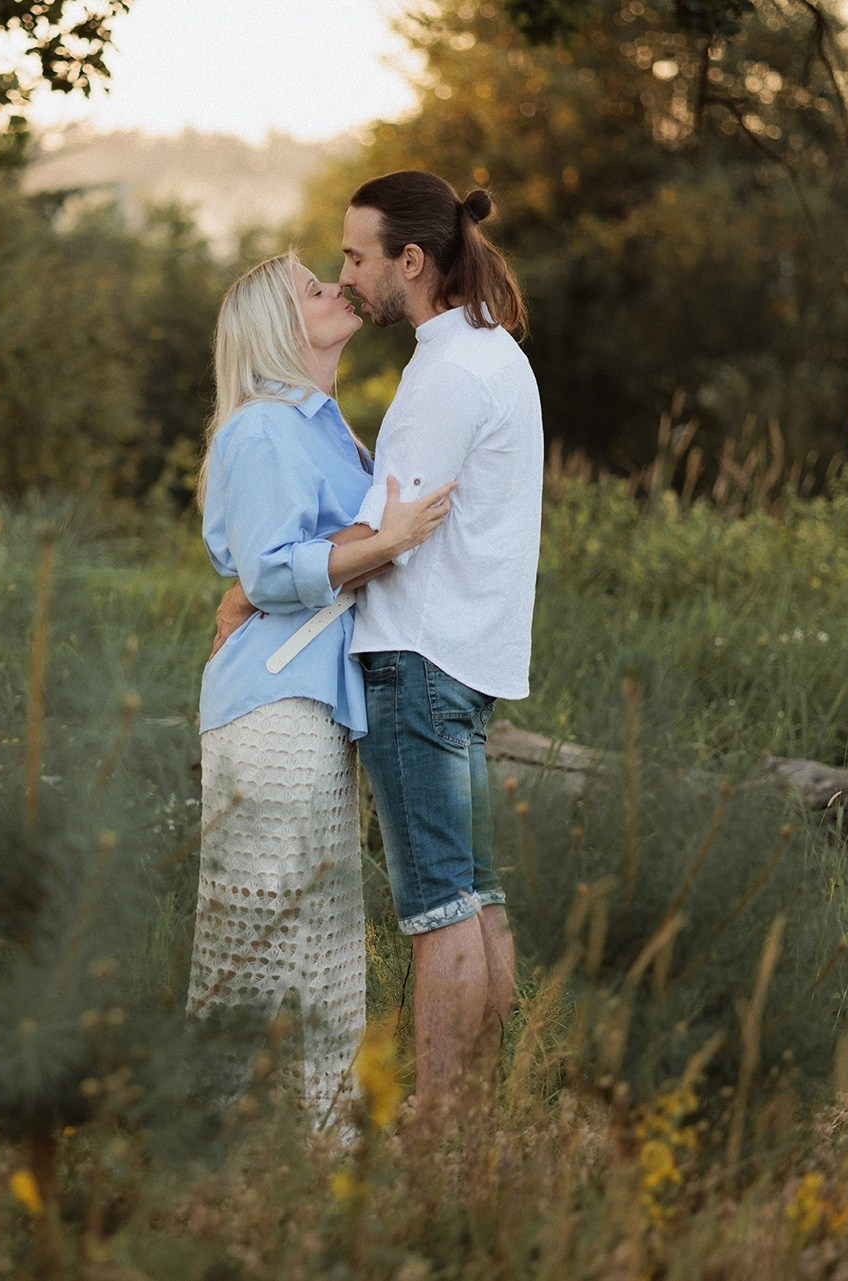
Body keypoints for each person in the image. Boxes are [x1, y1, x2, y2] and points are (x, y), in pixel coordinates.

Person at [214, 173, 541, 1125]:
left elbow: (375, 531)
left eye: (356, 257)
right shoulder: (492, 354)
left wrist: (246, 584)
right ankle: (475, 1124)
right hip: (465, 660)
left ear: (411, 261)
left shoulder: (442, 377)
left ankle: (440, 1134)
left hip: (415, 661)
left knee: (439, 913)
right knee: (477, 900)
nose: (347, 275)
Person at [191, 250, 456, 1129]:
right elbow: (270, 571)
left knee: (326, 947)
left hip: (315, 701)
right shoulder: (265, 427)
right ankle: (211, 1148)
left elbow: (314, 544)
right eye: (314, 287)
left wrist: (371, 536)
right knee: (258, 937)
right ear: (280, 327)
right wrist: (388, 539)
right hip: (272, 702)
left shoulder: (326, 425)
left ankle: (323, 1155)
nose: (336, 287)